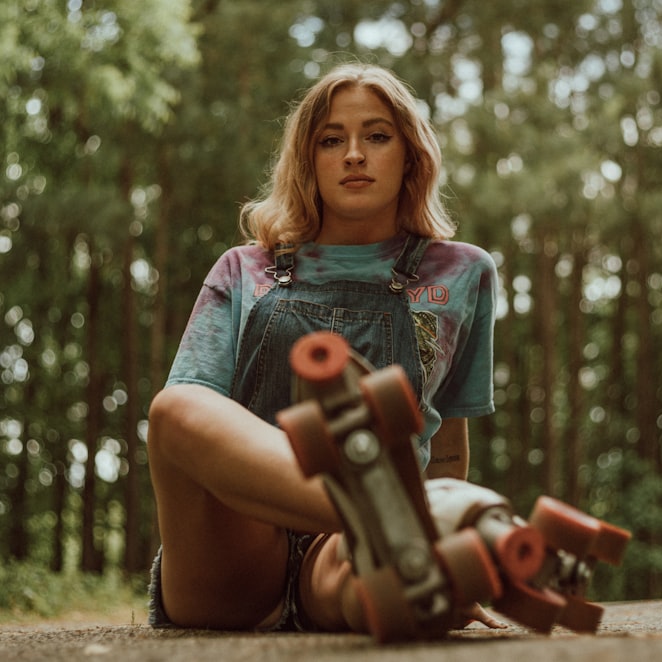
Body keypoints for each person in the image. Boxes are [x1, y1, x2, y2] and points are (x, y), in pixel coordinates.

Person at [146, 62, 503, 632]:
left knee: (391, 591)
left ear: (410, 153)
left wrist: (448, 559)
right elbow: (186, 434)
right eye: (331, 140)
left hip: (347, 553)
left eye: (377, 136)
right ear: (307, 160)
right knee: (174, 408)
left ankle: (401, 547)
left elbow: (449, 446)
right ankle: (388, 515)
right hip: (232, 548)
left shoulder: (464, 272)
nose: (354, 154)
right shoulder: (244, 268)